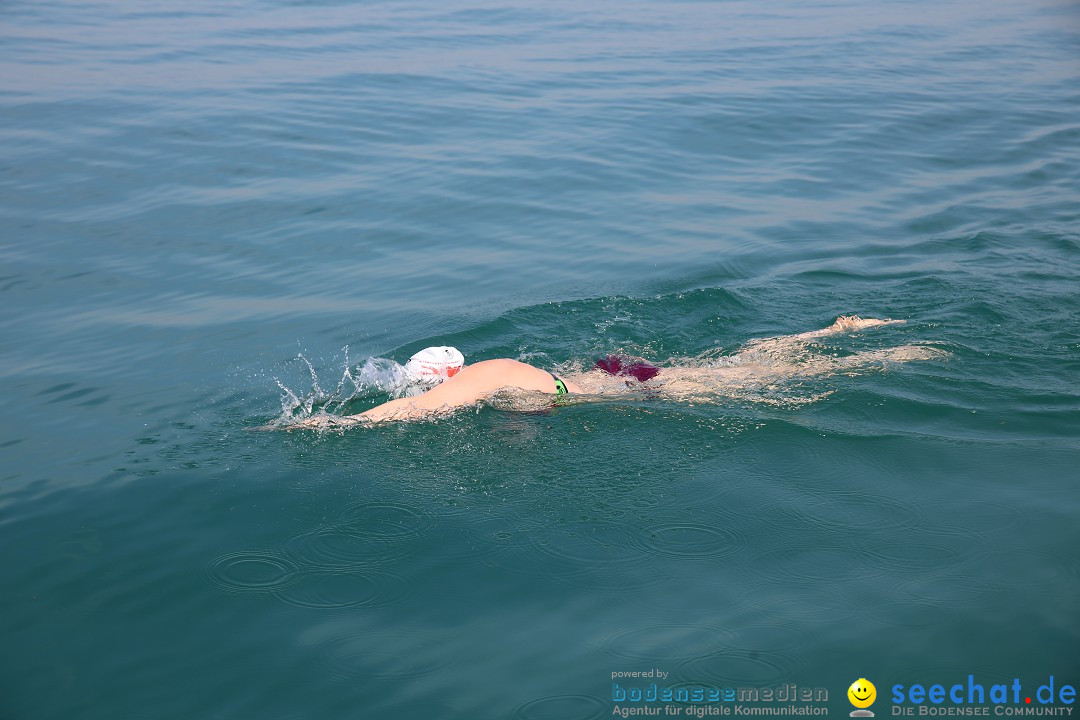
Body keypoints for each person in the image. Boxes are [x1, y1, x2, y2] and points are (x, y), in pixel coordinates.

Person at [290, 315, 937, 428]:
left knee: (765, 379)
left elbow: (406, 415)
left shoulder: (481, 377)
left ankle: (886, 353)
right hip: (611, 376)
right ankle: (834, 333)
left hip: (622, 385)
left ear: (444, 378)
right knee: (743, 363)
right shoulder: (493, 378)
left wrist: (326, 426)